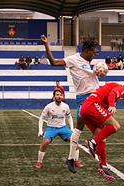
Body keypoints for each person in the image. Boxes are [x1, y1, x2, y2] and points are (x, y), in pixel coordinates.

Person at [41, 35, 101, 173]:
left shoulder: (88, 62)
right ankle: (90, 149)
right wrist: (46, 45)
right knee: (85, 128)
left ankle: (83, 155)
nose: (95, 55)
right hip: (84, 99)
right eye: (94, 52)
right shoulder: (73, 59)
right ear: (86, 50)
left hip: (94, 97)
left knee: (94, 129)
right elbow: (54, 62)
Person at [82, 82, 124, 181]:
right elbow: (113, 93)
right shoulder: (121, 88)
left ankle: (103, 166)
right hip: (93, 105)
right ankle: (92, 143)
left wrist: (110, 107)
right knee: (115, 125)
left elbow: (107, 101)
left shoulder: (116, 93)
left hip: (85, 109)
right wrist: (112, 105)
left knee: (102, 138)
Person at [36, 90, 83, 169]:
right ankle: (39, 162)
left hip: (63, 128)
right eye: (57, 95)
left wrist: (71, 128)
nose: (59, 96)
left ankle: (76, 161)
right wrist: (40, 130)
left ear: (63, 96)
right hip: (51, 128)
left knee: (75, 141)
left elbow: (69, 117)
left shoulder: (66, 106)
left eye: (60, 95)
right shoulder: (48, 106)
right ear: (54, 97)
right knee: (45, 143)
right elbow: (41, 118)